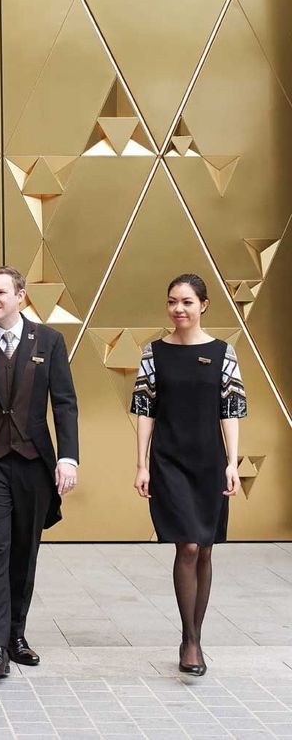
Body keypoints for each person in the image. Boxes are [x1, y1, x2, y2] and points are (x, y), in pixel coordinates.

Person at [0, 266, 79, 677]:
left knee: (25, 550)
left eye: (1, 292)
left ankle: (16, 635)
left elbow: (64, 403)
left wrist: (68, 457)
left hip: (32, 463)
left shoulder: (50, 341)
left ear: (20, 296)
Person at [131, 273, 246, 676]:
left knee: (208, 548)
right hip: (169, 460)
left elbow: (230, 411)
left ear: (203, 305)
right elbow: (144, 409)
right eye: (172, 302)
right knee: (189, 547)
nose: (178, 309)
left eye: (186, 302)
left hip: (209, 462)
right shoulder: (154, 352)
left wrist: (232, 463)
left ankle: (196, 633)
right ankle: (190, 640)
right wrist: (142, 464)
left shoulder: (222, 352)